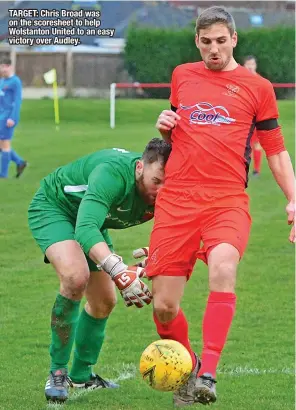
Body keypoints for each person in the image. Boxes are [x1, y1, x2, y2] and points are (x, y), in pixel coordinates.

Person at [144, 6, 295, 407]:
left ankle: (208, 372)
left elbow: (277, 152)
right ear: (197, 41)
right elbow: (176, 129)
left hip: (226, 198)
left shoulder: (258, 87)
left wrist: (294, 198)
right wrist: (165, 126)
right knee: (163, 306)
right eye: (206, 41)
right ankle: (189, 367)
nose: (214, 49)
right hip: (177, 200)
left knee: (224, 267)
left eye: (221, 41)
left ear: (234, 40)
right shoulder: (182, 76)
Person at [28, 138, 171, 403]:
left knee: (104, 302)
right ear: (140, 167)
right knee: (75, 276)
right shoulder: (112, 174)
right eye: (157, 182)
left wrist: (160, 255)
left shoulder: (169, 189)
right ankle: (57, 372)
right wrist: (118, 270)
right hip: (56, 208)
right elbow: (84, 230)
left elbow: (179, 228)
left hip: (93, 218)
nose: (162, 191)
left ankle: (82, 376)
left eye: (168, 183)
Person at [0, 57, 27, 178]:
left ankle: (3, 175)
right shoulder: (2, 81)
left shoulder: (15, 82)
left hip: (8, 118)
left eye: (3, 67)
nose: (1, 70)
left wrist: (13, 118)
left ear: (9, 67)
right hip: (1, 116)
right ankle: (20, 162)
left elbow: (17, 101)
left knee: (5, 144)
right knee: (1, 145)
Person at [243, 55, 263, 176]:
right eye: (248, 64)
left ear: (255, 65)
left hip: (257, 117)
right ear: (244, 66)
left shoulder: (261, 82)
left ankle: (256, 170)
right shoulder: (240, 81)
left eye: (252, 64)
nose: (250, 67)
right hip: (243, 118)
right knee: (245, 144)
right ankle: (244, 169)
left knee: (256, 143)